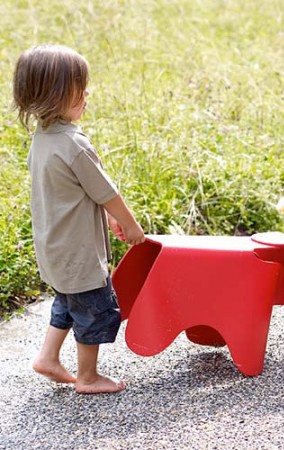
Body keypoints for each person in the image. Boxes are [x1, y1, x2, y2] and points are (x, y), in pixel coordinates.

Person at [13, 44, 146, 394]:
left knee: (68, 302)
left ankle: (48, 357)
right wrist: (129, 225)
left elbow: (75, 191)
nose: (87, 93)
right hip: (79, 252)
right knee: (95, 311)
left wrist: (106, 217)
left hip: (54, 248)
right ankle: (88, 377)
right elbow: (106, 191)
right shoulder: (74, 144)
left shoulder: (42, 139)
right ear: (55, 95)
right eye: (78, 86)